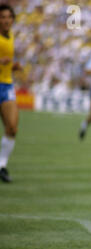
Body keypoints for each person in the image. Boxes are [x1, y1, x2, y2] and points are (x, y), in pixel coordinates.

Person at [0, 4, 21, 183]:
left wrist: (12, 66)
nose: (6, 20)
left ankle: (2, 165)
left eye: (8, 17)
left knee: (12, 127)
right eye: (2, 17)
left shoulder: (11, 36)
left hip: (6, 85)